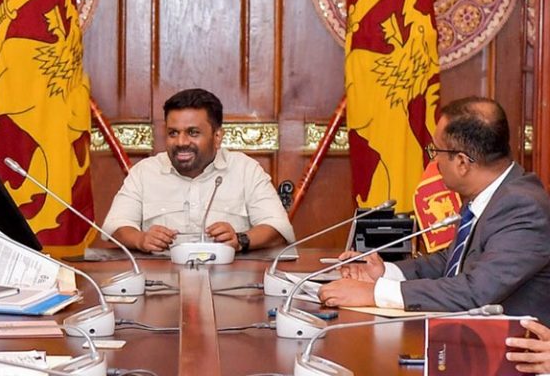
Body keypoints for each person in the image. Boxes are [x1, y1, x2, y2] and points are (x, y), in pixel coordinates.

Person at [318, 97, 550, 323]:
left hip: (510, 354)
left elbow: (475, 291)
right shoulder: (490, 193)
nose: (434, 162)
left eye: (436, 151)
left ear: (462, 162)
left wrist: (374, 294)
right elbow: (451, 262)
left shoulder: (522, 207)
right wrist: (385, 273)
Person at [102, 88, 294, 253]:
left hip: (231, 283)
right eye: (173, 133)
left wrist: (241, 239)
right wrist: (140, 240)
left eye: (193, 133)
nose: (181, 142)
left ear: (217, 136)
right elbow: (115, 226)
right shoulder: (144, 172)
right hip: (159, 283)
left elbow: (278, 228)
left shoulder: (245, 169)